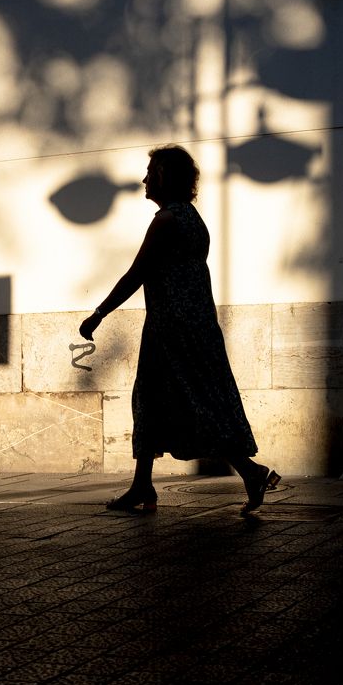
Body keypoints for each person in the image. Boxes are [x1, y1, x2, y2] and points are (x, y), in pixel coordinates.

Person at [79, 143, 280, 515]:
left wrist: (99, 314)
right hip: (195, 327)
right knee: (174, 403)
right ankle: (144, 485)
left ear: (165, 178)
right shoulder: (192, 219)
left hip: (171, 332)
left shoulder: (167, 221)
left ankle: (251, 472)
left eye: (151, 172)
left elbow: (137, 274)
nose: (144, 179)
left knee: (173, 403)